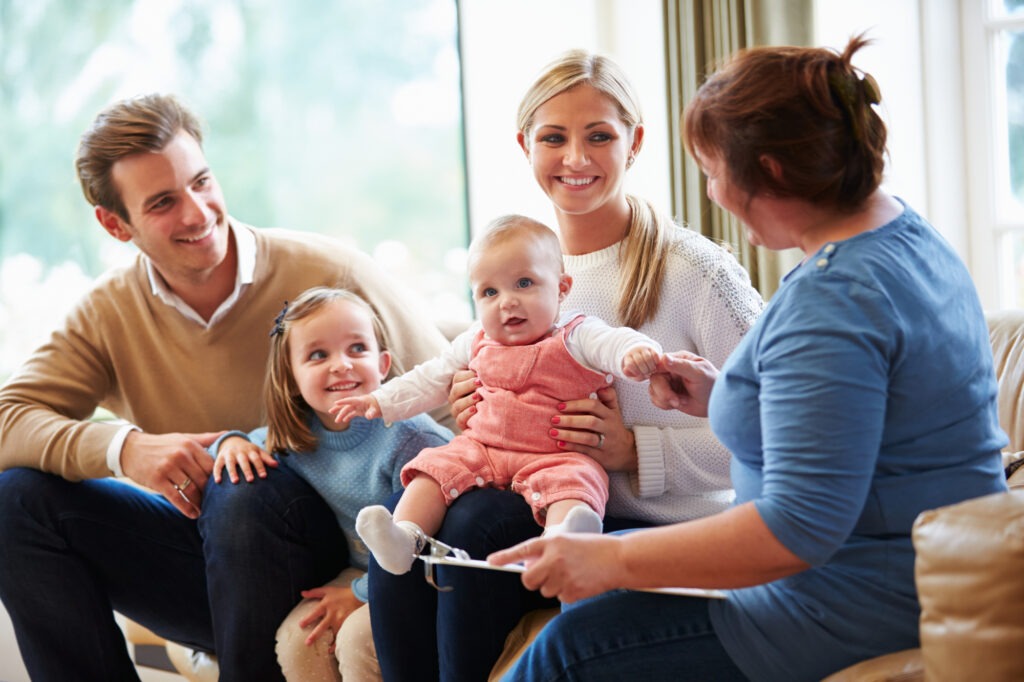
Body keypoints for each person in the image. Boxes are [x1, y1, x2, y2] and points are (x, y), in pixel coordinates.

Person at [488, 36, 1010, 682]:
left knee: (565, 651)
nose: (711, 193)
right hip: (884, 570)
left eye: (712, 171)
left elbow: (796, 530)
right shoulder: (902, 235)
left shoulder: (834, 301)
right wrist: (727, 394)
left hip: (845, 599)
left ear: (774, 172)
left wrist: (612, 563)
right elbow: (860, 420)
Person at [0, 93, 452, 682]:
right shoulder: (108, 314)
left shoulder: (331, 275)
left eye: (202, 182)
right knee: (13, 503)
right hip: (201, 566)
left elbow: (452, 396)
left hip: (330, 555)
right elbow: (10, 417)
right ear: (115, 224)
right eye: (163, 202)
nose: (196, 213)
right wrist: (126, 449)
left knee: (239, 486)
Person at [366, 50, 765, 681]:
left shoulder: (697, 274)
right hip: (538, 495)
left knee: (472, 528)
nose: (575, 159)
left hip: (652, 526)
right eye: (554, 138)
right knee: (406, 530)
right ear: (525, 145)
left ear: (633, 143)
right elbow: (473, 380)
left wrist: (637, 449)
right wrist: (476, 402)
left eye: (599, 136)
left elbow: (775, 435)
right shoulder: (514, 269)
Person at [334, 215, 662, 576]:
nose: (507, 302)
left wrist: (635, 354)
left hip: (554, 455)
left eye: (524, 283)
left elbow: (615, 343)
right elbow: (430, 378)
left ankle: (565, 540)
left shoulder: (577, 334)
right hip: (482, 448)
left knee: (579, 480)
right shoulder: (476, 339)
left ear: (562, 288)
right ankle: (405, 538)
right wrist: (379, 400)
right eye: (490, 292)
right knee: (433, 469)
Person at [210, 286, 453, 681]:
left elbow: (430, 546)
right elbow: (241, 450)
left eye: (357, 348)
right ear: (291, 377)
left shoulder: (410, 439)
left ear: (383, 363)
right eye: (318, 355)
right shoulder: (296, 435)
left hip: (419, 573)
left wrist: (360, 594)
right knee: (299, 638)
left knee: (358, 638)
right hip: (358, 569)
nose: (341, 365)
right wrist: (229, 443)